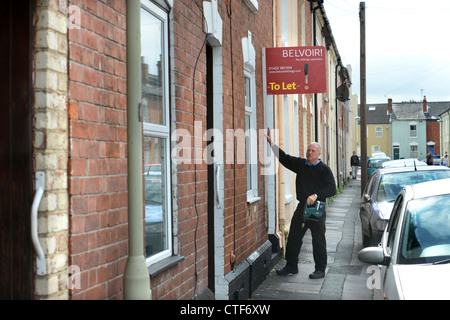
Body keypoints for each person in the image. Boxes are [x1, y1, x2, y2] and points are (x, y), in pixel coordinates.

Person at [265, 128, 336, 279]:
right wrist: (272, 144)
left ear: (319, 154)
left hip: (317, 209)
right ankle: (291, 266)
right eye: (308, 150)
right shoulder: (301, 164)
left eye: (312, 151)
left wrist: (316, 195)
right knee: (294, 237)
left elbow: (332, 189)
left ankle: (320, 269)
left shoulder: (324, 170)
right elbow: (284, 158)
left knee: (318, 240)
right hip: (302, 207)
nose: (309, 153)